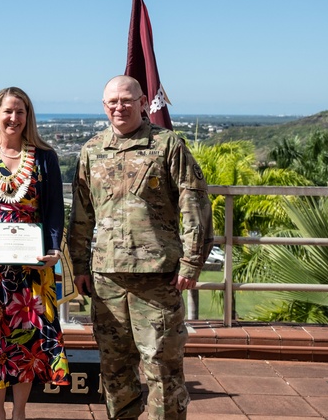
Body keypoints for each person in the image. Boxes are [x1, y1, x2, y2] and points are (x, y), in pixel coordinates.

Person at [68, 75, 212, 420]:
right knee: (115, 372)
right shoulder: (92, 150)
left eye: (127, 100)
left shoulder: (167, 145)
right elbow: (82, 215)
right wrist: (79, 268)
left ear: (143, 102)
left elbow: (194, 204)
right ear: (104, 106)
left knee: (162, 371)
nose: (119, 107)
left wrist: (192, 262)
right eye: (112, 101)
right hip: (107, 280)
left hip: (157, 280)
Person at [0, 87, 70, 420]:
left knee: (27, 346)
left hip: (31, 271)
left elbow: (52, 212)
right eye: (8, 111)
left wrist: (53, 248)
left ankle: (19, 412)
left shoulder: (44, 157)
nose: (14, 118)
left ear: (28, 117)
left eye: (20, 112)